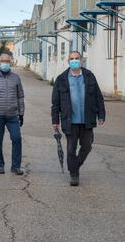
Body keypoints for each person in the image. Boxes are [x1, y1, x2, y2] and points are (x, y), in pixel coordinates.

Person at [51, 51, 105, 186]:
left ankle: (75, 166)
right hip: (70, 121)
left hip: (87, 119)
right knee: (70, 149)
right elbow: (55, 103)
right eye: (72, 59)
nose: (74, 61)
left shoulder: (89, 76)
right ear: (68, 61)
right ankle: (74, 175)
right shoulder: (61, 79)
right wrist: (55, 121)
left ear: (81, 60)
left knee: (87, 146)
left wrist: (101, 115)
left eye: (77, 58)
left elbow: (98, 97)